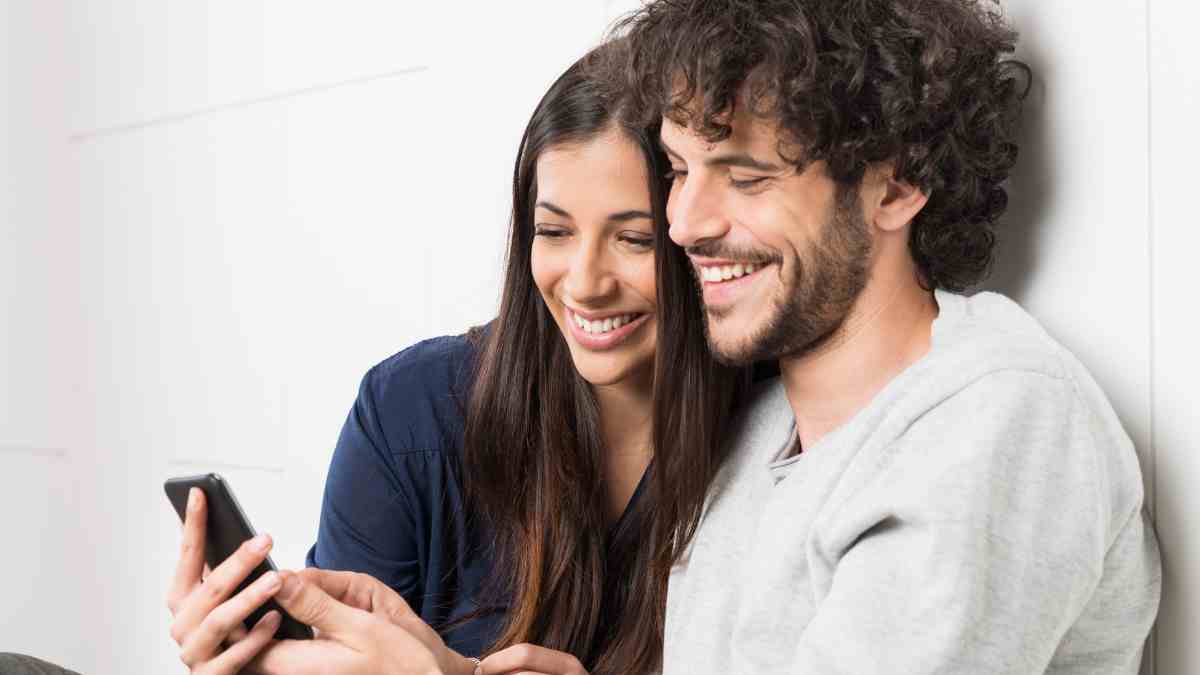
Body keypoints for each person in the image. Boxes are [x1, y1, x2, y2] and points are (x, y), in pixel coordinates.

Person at [603, 0, 1162, 672]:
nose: (684, 223)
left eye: (746, 177)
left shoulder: (997, 417)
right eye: (678, 170)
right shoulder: (759, 430)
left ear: (897, 186)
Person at [164, 45, 747, 675]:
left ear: (700, 241)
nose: (584, 282)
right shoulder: (412, 410)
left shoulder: (775, 438)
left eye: (634, 240)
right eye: (552, 232)